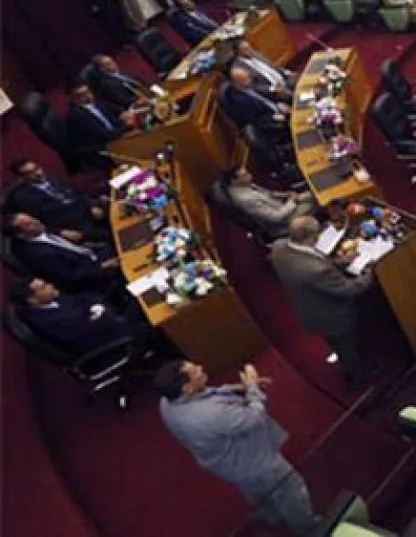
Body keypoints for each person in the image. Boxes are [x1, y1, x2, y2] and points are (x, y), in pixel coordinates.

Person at [157, 360, 321, 535]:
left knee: (257, 492)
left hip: (229, 464)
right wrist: (252, 388)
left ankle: (272, 516)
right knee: (290, 491)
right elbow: (254, 417)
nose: (201, 368)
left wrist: (241, 388)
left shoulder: (166, 403)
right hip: (257, 462)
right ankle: (309, 528)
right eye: (195, 371)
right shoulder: (210, 415)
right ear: (186, 389)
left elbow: (210, 394)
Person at [267, 216, 377, 385]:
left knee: (336, 345)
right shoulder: (316, 270)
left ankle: (347, 366)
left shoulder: (279, 247)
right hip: (334, 316)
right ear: (312, 236)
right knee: (348, 348)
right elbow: (349, 289)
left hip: (309, 310)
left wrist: (341, 262)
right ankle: (359, 377)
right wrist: (375, 271)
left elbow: (314, 261)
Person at [14, 277, 147, 355]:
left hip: (108, 322)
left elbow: (82, 300)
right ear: (32, 300)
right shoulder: (49, 322)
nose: (50, 286)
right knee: (152, 322)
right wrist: (101, 312)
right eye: (43, 288)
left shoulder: (53, 298)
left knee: (139, 298)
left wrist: (97, 309)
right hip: (107, 343)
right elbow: (88, 332)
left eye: (46, 283)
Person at [3, 212, 120, 294]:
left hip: (92, 253)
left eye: (33, 218)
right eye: (30, 224)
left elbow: (48, 231)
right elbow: (69, 277)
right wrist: (103, 266)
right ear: (20, 235)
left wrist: (59, 231)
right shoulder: (39, 256)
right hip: (92, 274)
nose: (37, 221)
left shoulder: (38, 230)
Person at [5, 158, 105, 233]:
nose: (37, 173)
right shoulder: (24, 198)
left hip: (87, 211)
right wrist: (59, 232)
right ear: (22, 177)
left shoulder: (54, 178)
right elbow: (45, 220)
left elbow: (77, 194)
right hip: (72, 226)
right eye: (30, 173)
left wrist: (91, 205)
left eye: (36, 168)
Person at [221, 167, 316, 237]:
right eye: (244, 175)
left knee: (313, 193)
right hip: (283, 221)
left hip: (283, 206)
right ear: (234, 181)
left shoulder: (243, 184)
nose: (250, 175)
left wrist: (285, 194)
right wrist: (292, 202)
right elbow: (275, 217)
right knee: (317, 201)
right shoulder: (246, 199)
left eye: (247, 173)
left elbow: (268, 194)